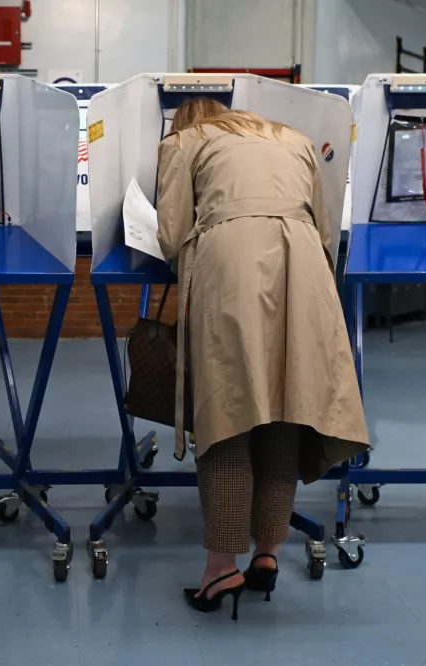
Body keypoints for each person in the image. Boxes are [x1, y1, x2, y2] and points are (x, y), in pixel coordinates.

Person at [156, 98, 369, 618]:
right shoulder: (293, 139)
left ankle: (220, 568)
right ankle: (267, 555)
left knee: (229, 414)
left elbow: (168, 235)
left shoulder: (183, 141)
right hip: (305, 271)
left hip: (233, 267)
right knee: (285, 413)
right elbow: (323, 231)